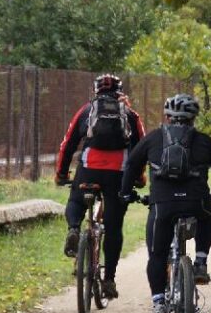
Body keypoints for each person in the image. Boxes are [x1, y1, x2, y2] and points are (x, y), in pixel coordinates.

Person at [119, 93, 211, 313]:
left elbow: (131, 166)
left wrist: (126, 193)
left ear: (167, 117)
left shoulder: (153, 138)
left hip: (163, 205)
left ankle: (159, 304)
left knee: (157, 255)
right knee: (206, 216)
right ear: (193, 118)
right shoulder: (205, 141)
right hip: (196, 202)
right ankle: (200, 262)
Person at [55, 73, 145, 299]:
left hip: (89, 168)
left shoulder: (86, 111)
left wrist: (61, 174)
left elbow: (67, 145)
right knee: (114, 227)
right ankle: (109, 280)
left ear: (95, 91)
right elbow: (141, 148)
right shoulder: (130, 115)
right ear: (120, 91)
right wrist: (139, 177)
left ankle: (74, 228)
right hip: (118, 174)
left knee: (76, 200)